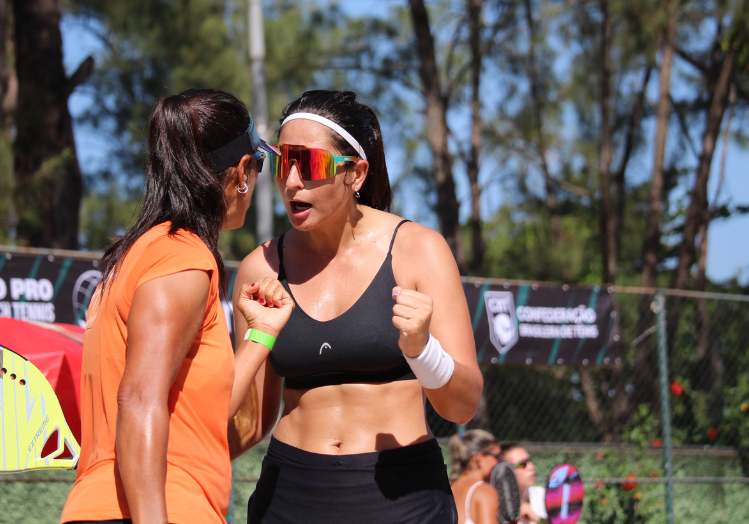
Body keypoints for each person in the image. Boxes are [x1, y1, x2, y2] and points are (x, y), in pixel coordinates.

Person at [231, 89, 483, 523]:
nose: (291, 182)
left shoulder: (419, 250)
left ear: (357, 173)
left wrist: (423, 350)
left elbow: (462, 406)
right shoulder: (261, 265)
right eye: (281, 161)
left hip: (400, 496)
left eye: (308, 164)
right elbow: (252, 421)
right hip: (289, 494)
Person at [61, 88, 293, 524]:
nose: (260, 175)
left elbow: (203, 414)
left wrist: (260, 336)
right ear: (241, 171)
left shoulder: (138, 257)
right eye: (259, 164)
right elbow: (139, 399)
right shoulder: (181, 257)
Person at [449, 430, 502, 524]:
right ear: (479, 458)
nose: (499, 462)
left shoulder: (450, 486)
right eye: (497, 457)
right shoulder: (483, 491)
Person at [501, 443, 547, 524]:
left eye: (529, 460)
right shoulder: (495, 506)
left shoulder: (543, 495)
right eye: (522, 464)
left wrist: (540, 520)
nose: (531, 467)